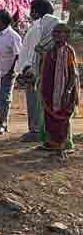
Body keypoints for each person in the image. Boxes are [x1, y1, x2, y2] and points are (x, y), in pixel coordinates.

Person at [14, 0, 59, 142]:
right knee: (38, 101)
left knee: (34, 101)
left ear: (35, 12)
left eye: (31, 10)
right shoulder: (40, 27)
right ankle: (38, 129)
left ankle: (35, 130)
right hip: (36, 70)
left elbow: (34, 52)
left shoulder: (37, 28)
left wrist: (28, 70)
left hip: (33, 71)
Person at [36, 23, 77, 156]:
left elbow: (73, 74)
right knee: (49, 118)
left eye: (60, 32)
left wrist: (68, 91)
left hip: (64, 91)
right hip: (49, 91)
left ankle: (64, 145)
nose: (57, 35)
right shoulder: (50, 51)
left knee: (62, 119)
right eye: (55, 32)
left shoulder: (68, 51)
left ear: (67, 36)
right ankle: (52, 143)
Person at [0, 9, 22, 135]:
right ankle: (0, 123)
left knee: (4, 99)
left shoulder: (13, 36)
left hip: (7, 73)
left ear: (1, 21)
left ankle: (3, 124)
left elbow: (18, 55)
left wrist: (11, 71)